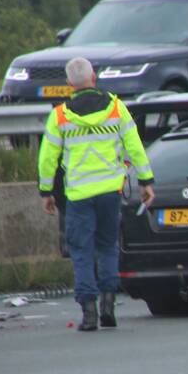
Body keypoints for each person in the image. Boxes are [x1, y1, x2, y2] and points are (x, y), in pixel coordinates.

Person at [37, 57, 155, 331]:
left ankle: (89, 312)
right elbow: (134, 146)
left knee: (81, 251)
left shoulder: (60, 116)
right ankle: (108, 305)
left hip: (78, 194)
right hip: (109, 192)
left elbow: (47, 159)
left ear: (69, 84)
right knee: (107, 246)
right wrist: (146, 180)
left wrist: (46, 191)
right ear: (94, 78)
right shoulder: (116, 108)